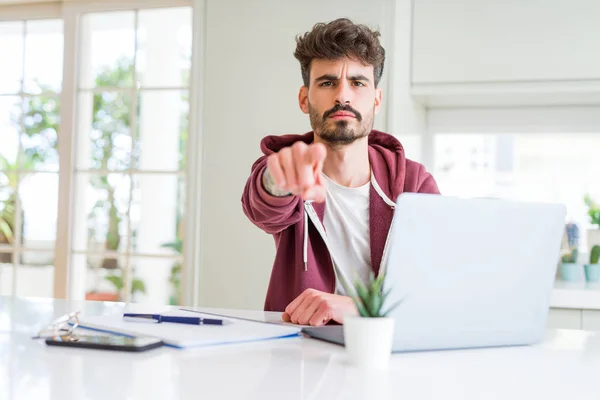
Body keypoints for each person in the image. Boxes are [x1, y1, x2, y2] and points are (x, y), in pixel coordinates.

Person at [241, 18, 440, 327]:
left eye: (358, 82)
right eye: (327, 82)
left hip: (387, 353)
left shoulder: (414, 183)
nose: (343, 96)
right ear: (304, 99)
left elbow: (434, 286)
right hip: (299, 354)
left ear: (376, 98)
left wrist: (357, 308)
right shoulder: (289, 167)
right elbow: (264, 206)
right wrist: (276, 181)